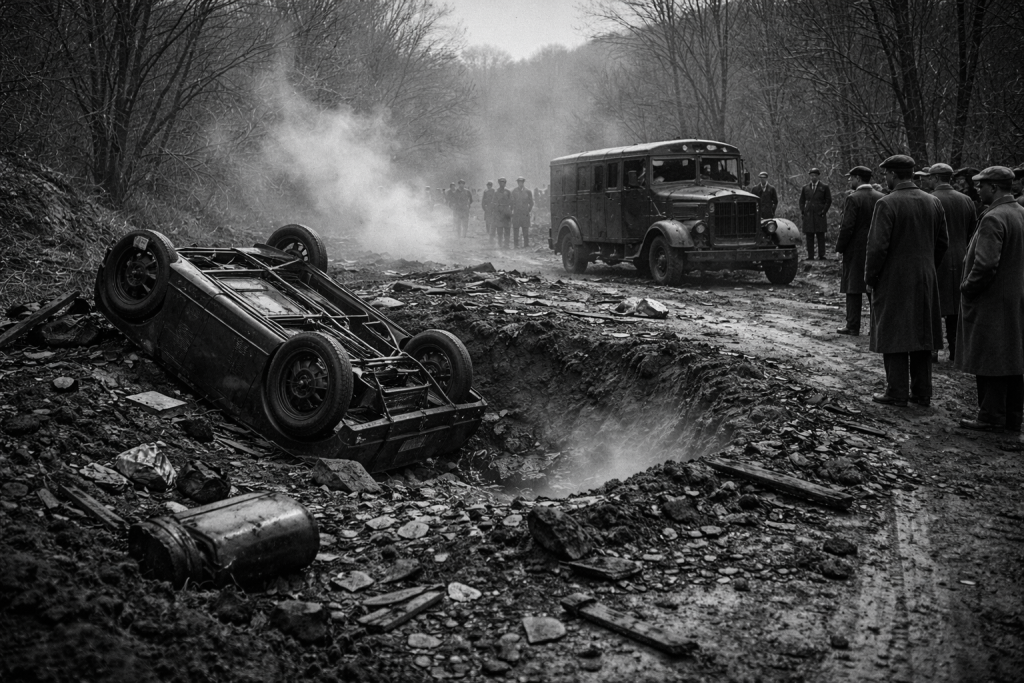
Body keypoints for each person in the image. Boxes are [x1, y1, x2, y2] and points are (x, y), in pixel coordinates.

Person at [865, 154, 948, 408]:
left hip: (893, 278)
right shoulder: (933, 202)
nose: (885, 178)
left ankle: (896, 391)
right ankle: (922, 393)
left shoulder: (887, 204)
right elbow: (942, 243)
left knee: (894, 332)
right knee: (922, 333)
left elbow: (877, 247)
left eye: (886, 174)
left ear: (892, 174)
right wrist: (926, 267)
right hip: (925, 277)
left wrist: (871, 278)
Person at [955, 166, 1024, 432]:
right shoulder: (1019, 212)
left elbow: (985, 265)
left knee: (992, 356)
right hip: (1015, 298)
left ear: (994, 187)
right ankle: (1011, 417)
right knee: (1013, 357)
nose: (977, 189)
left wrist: (967, 288)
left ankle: (991, 416)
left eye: (981, 185)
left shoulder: (994, 218)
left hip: (992, 300)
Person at [930, 163, 977, 362]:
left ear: (935, 178)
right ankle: (957, 351)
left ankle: (932, 350)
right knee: (957, 308)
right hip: (961, 259)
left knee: (933, 306)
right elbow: (973, 232)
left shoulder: (931, 200)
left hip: (936, 258)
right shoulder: (966, 200)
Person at [835, 166, 883, 336]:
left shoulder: (853, 198)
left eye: (851, 178)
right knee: (874, 287)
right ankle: (876, 327)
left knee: (853, 288)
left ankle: (853, 325)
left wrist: (840, 247)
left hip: (855, 250)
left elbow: (847, 226)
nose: (849, 181)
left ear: (858, 179)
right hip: (877, 248)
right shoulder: (881, 197)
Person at [799, 167, 832, 259]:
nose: (813, 177)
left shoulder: (824, 187)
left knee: (820, 235)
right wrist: (803, 210)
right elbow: (801, 200)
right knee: (809, 235)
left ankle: (821, 255)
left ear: (818, 176)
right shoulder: (805, 188)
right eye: (811, 176)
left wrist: (824, 211)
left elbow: (828, 200)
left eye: (815, 176)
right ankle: (810, 256)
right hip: (808, 214)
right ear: (809, 176)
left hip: (819, 214)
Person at [511, 176, 534, 248]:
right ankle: (516, 245)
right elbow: (512, 202)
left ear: (523, 183)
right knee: (516, 229)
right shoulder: (514, 191)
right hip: (517, 213)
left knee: (525, 229)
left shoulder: (528, 191)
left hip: (525, 214)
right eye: (519, 182)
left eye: (522, 182)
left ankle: (526, 244)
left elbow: (531, 203)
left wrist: (528, 210)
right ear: (518, 183)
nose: (521, 183)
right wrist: (512, 210)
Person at [493, 177, 513, 249]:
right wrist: (498, 208)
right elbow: (494, 202)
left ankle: (506, 244)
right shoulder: (496, 192)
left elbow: (511, 201)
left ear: (505, 183)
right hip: (499, 212)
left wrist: (510, 210)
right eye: (501, 182)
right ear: (499, 183)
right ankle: (500, 244)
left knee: (507, 229)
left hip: (506, 212)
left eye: (504, 182)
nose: (502, 184)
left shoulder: (508, 192)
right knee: (499, 229)